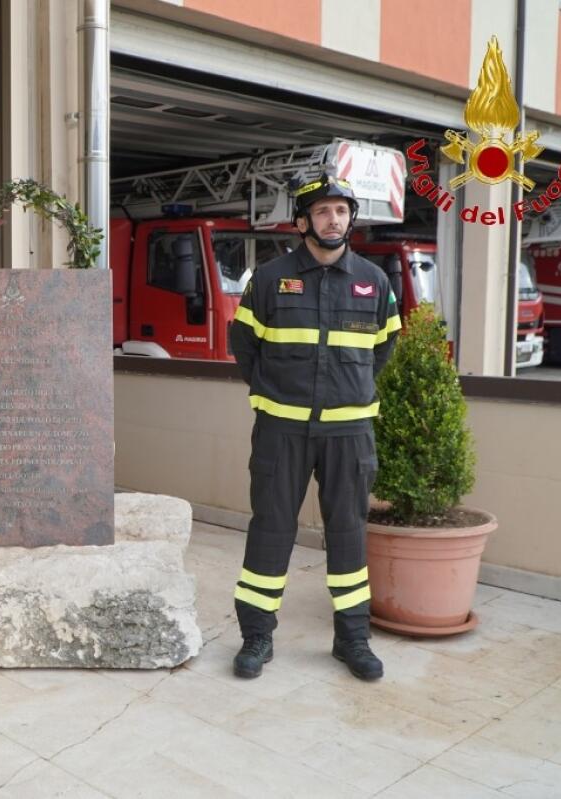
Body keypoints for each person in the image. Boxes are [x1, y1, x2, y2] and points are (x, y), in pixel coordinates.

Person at [228, 172, 400, 681]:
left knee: (348, 533)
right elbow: (245, 346)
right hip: (282, 429)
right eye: (324, 211)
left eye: (342, 211)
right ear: (303, 221)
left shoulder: (375, 280)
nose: (334, 219)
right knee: (271, 529)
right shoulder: (268, 279)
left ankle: (352, 640)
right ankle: (257, 637)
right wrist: (272, 391)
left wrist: (349, 392)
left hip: (349, 434)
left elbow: (384, 348)